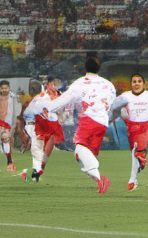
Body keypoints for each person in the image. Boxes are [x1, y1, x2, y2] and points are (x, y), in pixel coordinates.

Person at [43, 54, 117, 194]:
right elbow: (112, 103)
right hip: (102, 122)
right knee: (87, 155)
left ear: (85, 67)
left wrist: (47, 108)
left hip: (88, 119)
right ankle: (99, 180)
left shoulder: (79, 83)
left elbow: (63, 100)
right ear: (99, 67)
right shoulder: (109, 85)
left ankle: (101, 179)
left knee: (79, 149)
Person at [116, 73, 148, 191]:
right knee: (135, 152)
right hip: (132, 131)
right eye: (134, 82)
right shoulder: (125, 97)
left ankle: (132, 180)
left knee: (136, 151)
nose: (137, 84)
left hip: (145, 130)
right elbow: (113, 107)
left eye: (139, 81)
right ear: (131, 84)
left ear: (144, 84)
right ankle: (141, 161)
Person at [19, 76, 64, 182]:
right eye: (31, 87)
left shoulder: (41, 99)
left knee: (37, 148)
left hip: (37, 126)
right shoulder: (35, 100)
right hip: (36, 126)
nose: (32, 89)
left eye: (34, 87)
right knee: (38, 148)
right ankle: (36, 172)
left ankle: (37, 170)